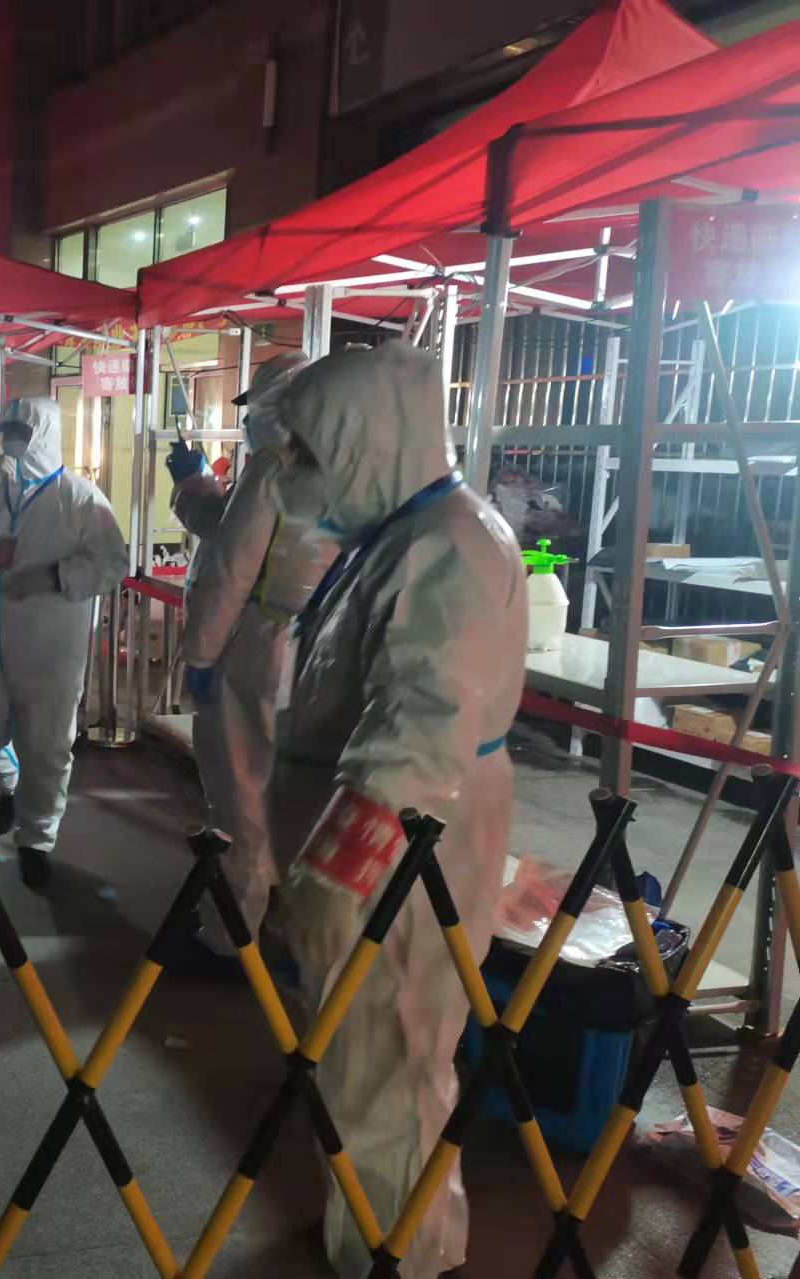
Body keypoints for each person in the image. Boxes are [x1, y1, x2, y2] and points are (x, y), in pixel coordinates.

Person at [266, 344, 525, 1279]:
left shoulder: (447, 546)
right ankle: (376, 1237)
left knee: (390, 1060)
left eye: (307, 451)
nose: (291, 472)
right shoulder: (402, 534)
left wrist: (335, 872)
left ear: (365, 440)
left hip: (406, 854)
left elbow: (418, 729)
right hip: (390, 845)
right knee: (365, 1060)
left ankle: (399, 1256)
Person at [160, 353, 339, 975]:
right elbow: (226, 522)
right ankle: (290, 927)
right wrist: (196, 483)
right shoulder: (353, 468)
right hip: (327, 651)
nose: (251, 420)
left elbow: (231, 569)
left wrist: (201, 654)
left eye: (257, 408)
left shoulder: (272, 467)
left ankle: (229, 939)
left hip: (263, 649)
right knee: (301, 796)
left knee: (241, 796)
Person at [0, 396, 126, 887]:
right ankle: (11, 788)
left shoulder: (80, 498)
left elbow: (112, 563)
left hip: (50, 644)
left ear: (45, 435)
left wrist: (55, 577)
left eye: (22, 431)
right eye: (5, 430)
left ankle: (37, 837)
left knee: (47, 745)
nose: (11, 439)